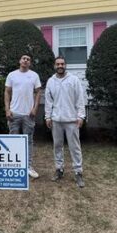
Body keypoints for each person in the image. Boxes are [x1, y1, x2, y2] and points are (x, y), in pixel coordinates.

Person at [45, 56, 86, 188]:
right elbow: (48, 101)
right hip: (56, 120)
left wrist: (81, 116)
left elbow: (80, 98)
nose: (60, 66)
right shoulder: (51, 81)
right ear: (54, 66)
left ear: (65, 65)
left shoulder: (73, 80)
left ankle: (78, 172)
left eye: (62, 64)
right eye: (58, 64)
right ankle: (59, 169)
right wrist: (47, 116)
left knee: (75, 147)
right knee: (57, 146)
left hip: (72, 120)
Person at [4, 54, 42, 179]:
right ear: (20, 61)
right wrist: (7, 109)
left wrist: (35, 108)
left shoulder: (34, 75)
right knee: (13, 141)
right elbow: (7, 92)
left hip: (28, 114)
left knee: (29, 141)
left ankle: (29, 167)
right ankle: (13, 165)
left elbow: (38, 92)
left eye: (28, 59)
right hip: (14, 114)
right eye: (23, 58)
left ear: (30, 63)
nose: (25, 60)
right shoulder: (12, 75)